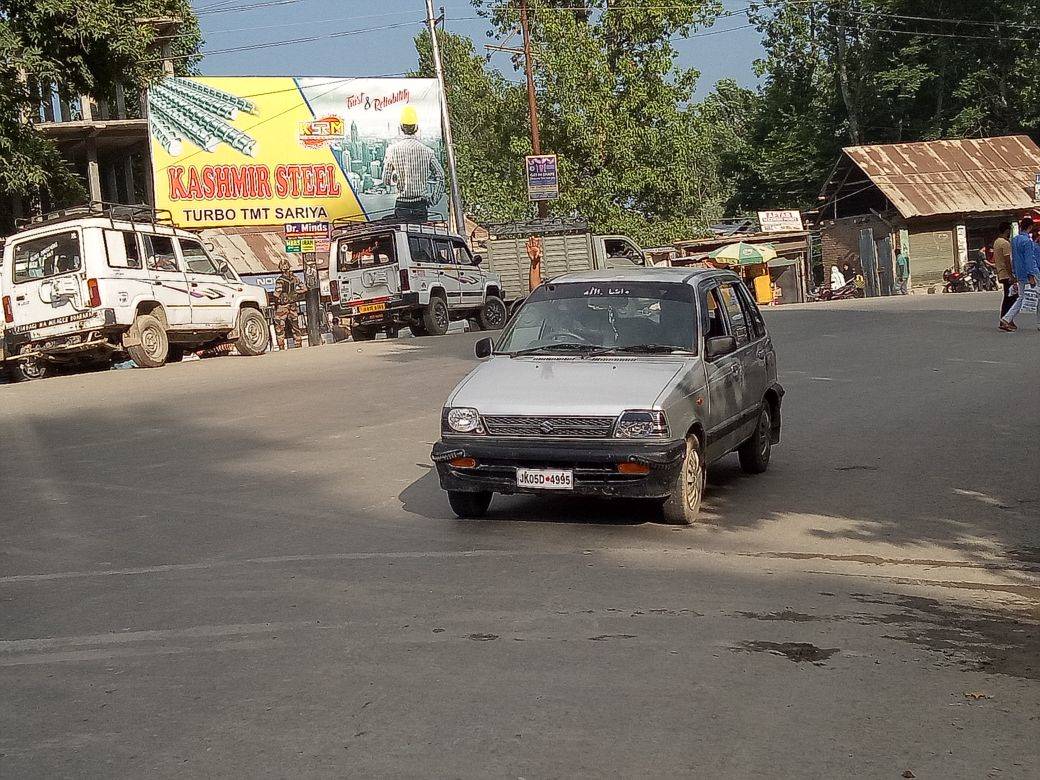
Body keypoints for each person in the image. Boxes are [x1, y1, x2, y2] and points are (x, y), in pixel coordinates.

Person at [382, 106, 446, 222]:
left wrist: (397, 177)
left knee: (403, 237)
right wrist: (433, 200)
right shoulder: (427, 151)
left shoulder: (391, 150)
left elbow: (386, 180)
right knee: (420, 238)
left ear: (401, 127)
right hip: (420, 206)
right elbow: (441, 175)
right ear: (416, 127)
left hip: (402, 205)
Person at [1000, 216, 1039, 332]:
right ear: (1030, 227)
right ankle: (1038, 323)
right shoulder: (1027, 242)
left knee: (1021, 297)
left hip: (1020, 273)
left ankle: (1007, 318)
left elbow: (1015, 259)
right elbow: (1029, 259)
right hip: (1030, 273)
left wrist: (1016, 273)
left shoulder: (1015, 240)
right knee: (1037, 296)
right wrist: (1031, 275)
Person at [273, 258, 307, 348]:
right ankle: (298, 343)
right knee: (295, 325)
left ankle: (281, 346)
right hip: (293, 305)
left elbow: (277, 294)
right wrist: (296, 293)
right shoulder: (295, 278)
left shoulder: (280, 280)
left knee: (279, 326)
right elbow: (304, 289)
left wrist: (276, 301)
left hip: (283, 306)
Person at [993, 222, 1016, 318]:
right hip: (1006, 274)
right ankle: (1005, 319)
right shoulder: (1005, 243)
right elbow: (1007, 261)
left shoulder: (997, 242)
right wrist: (1011, 275)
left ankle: (1006, 319)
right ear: (1007, 231)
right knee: (1011, 298)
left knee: (1008, 297)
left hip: (1001, 273)